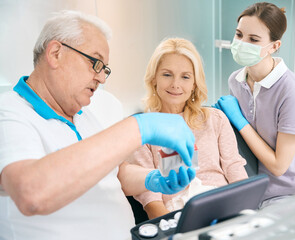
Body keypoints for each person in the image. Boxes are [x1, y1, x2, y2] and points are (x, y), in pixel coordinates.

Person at [0, 10, 197, 240]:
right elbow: (30, 193)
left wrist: (152, 179)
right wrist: (138, 127)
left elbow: (116, 172)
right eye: (95, 63)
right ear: (55, 53)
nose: (102, 78)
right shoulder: (9, 113)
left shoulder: (99, 106)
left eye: (105, 69)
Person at [127, 38, 248, 219]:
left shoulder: (215, 119)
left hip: (223, 207)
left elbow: (235, 170)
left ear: (194, 84)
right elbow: (151, 202)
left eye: (185, 77)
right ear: (154, 79)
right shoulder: (143, 129)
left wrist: (246, 216)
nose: (176, 84)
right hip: (179, 215)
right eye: (167, 75)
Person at [214, 2, 295, 208]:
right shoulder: (235, 80)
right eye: (239, 35)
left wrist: (240, 122)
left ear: (274, 46)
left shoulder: (291, 91)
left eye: (253, 39)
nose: (241, 43)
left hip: (285, 194)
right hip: (247, 185)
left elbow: (278, 167)